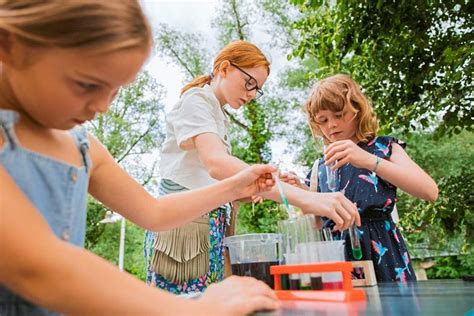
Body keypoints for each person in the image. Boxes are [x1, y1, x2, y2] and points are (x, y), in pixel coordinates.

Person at [0, 1, 283, 315]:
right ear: (10, 45)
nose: (103, 106)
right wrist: (196, 310)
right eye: (88, 84)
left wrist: (234, 188)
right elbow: (37, 268)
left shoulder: (83, 146)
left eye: (116, 90)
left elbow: (153, 212)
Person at [145, 41, 360, 293]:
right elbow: (216, 163)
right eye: (249, 83)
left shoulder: (218, 114)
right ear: (224, 68)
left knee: (206, 304)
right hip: (185, 226)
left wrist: (248, 191)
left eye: (257, 89)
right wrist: (302, 198)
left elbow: (212, 178)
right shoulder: (197, 100)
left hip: (209, 226)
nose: (250, 94)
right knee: (181, 307)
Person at [282, 74, 439, 282]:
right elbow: (317, 223)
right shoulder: (320, 166)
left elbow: (430, 191)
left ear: (357, 110)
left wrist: (367, 160)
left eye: (339, 115)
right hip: (338, 261)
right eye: (323, 120)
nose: (332, 125)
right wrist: (300, 191)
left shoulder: (382, 148)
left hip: (384, 258)